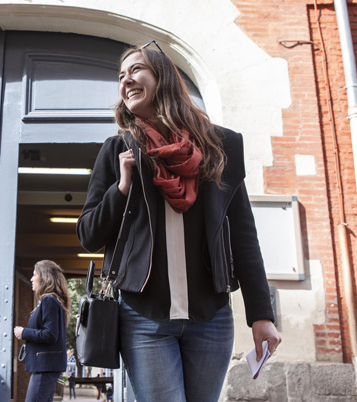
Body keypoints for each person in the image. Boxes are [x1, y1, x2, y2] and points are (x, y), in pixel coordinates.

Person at [76, 41, 282, 402]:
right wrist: (121, 189)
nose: (126, 80)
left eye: (136, 70)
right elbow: (89, 235)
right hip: (143, 316)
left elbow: (244, 238)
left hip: (211, 317)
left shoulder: (221, 148)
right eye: (120, 76)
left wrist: (260, 315)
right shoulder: (118, 150)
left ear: (164, 77)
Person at [14, 260, 70, 402]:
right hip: (45, 366)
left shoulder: (49, 301)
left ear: (44, 278)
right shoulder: (51, 301)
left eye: (34, 275)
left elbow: (50, 334)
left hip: (45, 366)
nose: (31, 279)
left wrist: (24, 332)